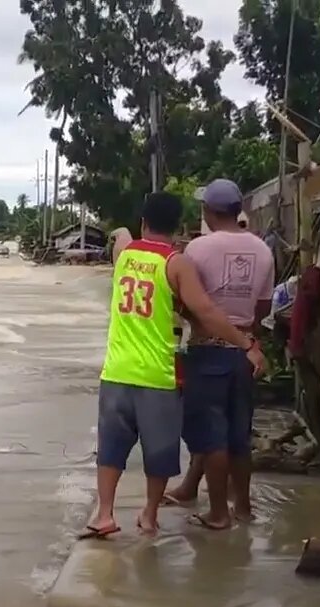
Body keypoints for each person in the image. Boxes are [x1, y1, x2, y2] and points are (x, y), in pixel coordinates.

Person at [81, 193, 264, 539]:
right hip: (157, 375)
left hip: (116, 371)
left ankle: (105, 514)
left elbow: (119, 236)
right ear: (179, 226)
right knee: (160, 450)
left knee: (112, 447)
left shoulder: (123, 255)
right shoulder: (176, 264)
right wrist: (247, 344)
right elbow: (207, 313)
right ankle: (149, 516)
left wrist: (127, 232)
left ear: (143, 223)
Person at [163, 179, 275, 530]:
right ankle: (242, 506)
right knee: (239, 434)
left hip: (207, 351)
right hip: (245, 352)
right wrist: (245, 337)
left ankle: (218, 513)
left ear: (209, 211)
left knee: (211, 434)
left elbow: (188, 303)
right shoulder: (263, 250)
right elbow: (264, 306)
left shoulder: (198, 249)